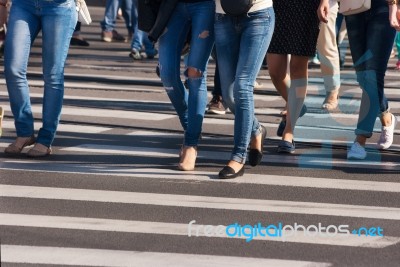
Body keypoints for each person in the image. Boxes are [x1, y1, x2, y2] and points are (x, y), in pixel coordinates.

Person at [3, 0, 77, 157]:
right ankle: (24, 132)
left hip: (59, 6)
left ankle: (45, 139)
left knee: (53, 75)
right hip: (23, 4)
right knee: (13, 68)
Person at [214, 0, 275, 179]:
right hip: (222, 15)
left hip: (258, 15)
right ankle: (256, 130)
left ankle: (238, 155)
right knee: (229, 95)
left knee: (242, 86)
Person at [158, 0, 215, 171]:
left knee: (195, 74)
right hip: (171, 5)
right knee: (167, 75)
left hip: (206, 5)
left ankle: (191, 144)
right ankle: (192, 127)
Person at [267, 0, 329, 154]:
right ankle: (296, 105)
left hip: (306, 6)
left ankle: (289, 131)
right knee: (275, 71)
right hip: (276, 6)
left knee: (298, 67)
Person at [346, 0, 399, 160]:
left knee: (372, 74)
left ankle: (360, 140)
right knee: (362, 76)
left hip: (384, 6)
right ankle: (386, 116)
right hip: (353, 6)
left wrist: (394, 4)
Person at [317, 0, 341, 111]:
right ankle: (290, 96)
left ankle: (332, 90)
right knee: (293, 50)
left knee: (326, 45)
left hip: (327, 3)